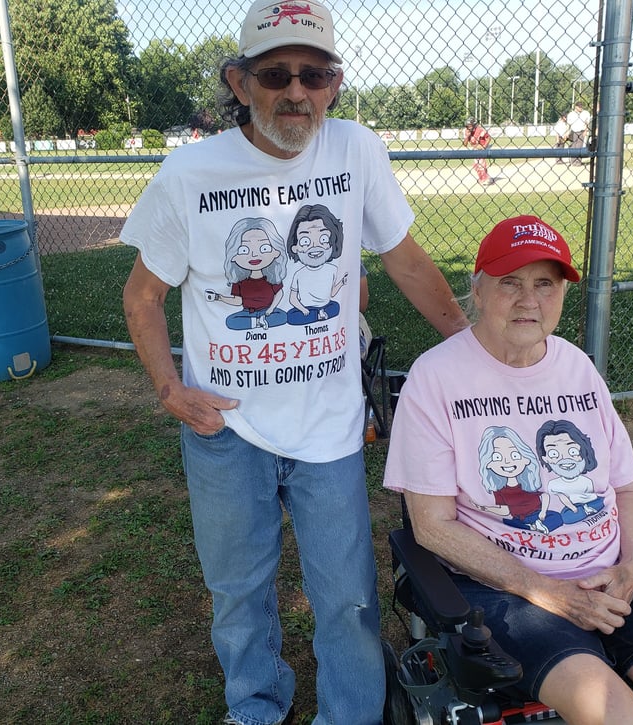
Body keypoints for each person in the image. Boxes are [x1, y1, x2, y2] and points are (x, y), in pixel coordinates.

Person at [120, 1, 469, 723]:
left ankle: (350, 713)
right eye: (275, 73)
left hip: (330, 426)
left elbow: (401, 259)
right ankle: (254, 703)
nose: (296, 91)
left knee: (348, 594)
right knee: (238, 590)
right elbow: (143, 295)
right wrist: (168, 388)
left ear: (335, 83)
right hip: (226, 430)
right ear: (239, 81)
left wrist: (468, 346)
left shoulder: (356, 150)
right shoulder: (189, 173)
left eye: (314, 73)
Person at [384, 215, 633, 725]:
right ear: (477, 289)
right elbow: (432, 526)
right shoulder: (436, 378)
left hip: (615, 576)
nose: (528, 300)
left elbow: (630, 488)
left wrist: (632, 567)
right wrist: (550, 593)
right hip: (507, 589)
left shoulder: (576, 366)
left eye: (545, 284)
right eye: (510, 282)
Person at [463, 117, 494, 186]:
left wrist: (484, 147)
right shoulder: (466, 131)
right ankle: (485, 178)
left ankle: (486, 179)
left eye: (470, 125)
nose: (468, 127)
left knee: (481, 164)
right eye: (467, 126)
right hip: (475, 149)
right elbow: (465, 144)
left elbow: (488, 138)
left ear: (474, 125)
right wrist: (467, 136)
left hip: (483, 147)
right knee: (476, 165)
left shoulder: (480, 130)